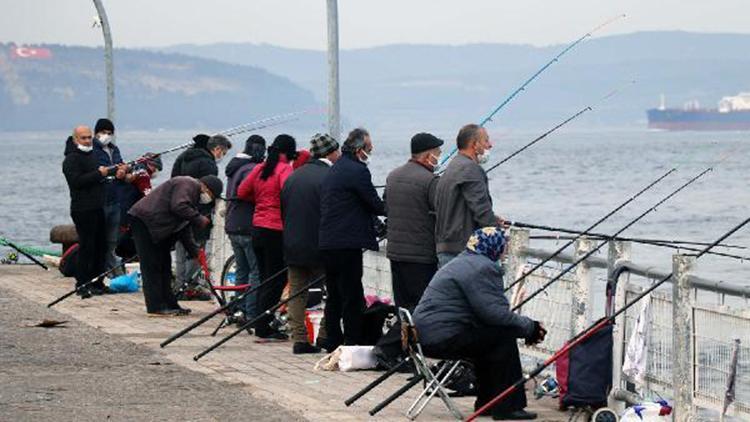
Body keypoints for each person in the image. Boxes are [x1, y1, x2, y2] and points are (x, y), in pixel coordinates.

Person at [413, 227, 546, 420]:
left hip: (424, 336)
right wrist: (531, 328)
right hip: (442, 338)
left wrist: (526, 329)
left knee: (488, 340)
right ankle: (508, 408)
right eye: (504, 244)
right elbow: (495, 314)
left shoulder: (463, 261)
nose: (506, 249)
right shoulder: (483, 267)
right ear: (494, 246)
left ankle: (487, 403)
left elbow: (487, 313)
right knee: (503, 338)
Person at [375, 132, 443, 364]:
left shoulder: (393, 176)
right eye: (437, 153)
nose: (439, 157)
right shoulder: (430, 181)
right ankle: (388, 347)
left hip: (396, 252)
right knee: (421, 308)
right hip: (421, 254)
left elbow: (385, 207)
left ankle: (405, 353)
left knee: (403, 307)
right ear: (427, 155)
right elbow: (441, 213)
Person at [318, 128, 386, 349]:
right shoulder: (357, 171)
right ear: (359, 150)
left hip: (328, 241)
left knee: (334, 295)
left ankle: (332, 340)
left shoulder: (336, 168)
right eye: (369, 148)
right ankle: (352, 341)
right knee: (351, 294)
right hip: (347, 243)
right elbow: (374, 203)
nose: (371, 151)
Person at [128, 175, 223, 316]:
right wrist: (199, 219)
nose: (208, 199)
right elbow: (178, 206)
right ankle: (156, 307)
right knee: (152, 266)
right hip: (145, 221)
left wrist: (195, 251)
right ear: (205, 187)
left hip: (157, 226)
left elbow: (183, 227)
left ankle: (170, 303)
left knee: (165, 266)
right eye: (210, 195)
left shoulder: (192, 197)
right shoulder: (188, 184)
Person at [280, 133, 340, 354]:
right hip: (322, 245)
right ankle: (325, 335)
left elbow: (283, 209)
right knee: (333, 290)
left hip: (294, 244)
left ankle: (299, 339)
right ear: (331, 153)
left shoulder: (294, 177)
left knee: (297, 292)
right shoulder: (331, 177)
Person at [237, 134, 297, 340]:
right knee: (277, 279)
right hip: (276, 230)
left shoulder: (260, 168)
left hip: (257, 228)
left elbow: (242, 191)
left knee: (264, 278)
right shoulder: (285, 169)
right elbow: (290, 194)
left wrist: (261, 201)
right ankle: (264, 325)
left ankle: (260, 322)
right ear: (288, 152)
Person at [171, 134, 232, 299]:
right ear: (217, 149)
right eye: (223, 153)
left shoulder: (183, 157)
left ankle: (179, 286)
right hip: (197, 213)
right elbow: (209, 192)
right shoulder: (208, 164)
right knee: (196, 250)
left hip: (179, 210)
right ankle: (191, 286)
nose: (222, 156)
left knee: (181, 250)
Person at [434, 123, 502, 268]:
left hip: (446, 249)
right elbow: (482, 211)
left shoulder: (452, 168)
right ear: (474, 144)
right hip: (464, 252)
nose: (490, 145)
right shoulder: (470, 169)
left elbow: (458, 208)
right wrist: (498, 238)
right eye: (486, 141)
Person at [62, 126, 110, 297]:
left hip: (98, 206)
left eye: (89, 137)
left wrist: (111, 173)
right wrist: (98, 174)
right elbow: (76, 182)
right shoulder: (71, 159)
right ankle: (82, 283)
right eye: (83, 138)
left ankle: (98, 281)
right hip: (82, 209)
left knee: (101, 246)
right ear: (75, 139)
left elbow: (100, 176)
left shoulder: (93, 155)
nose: (88, 140)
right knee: (87, 247)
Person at [224, 135, 266, 324]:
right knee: (255, 271)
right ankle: (251, 313)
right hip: (248, 225)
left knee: (242, 270)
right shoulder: (251, 169)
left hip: (233, 225)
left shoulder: (234, 168)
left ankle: (238, 309)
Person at [93, 118, 131, 279]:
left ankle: (114, 274)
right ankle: (100, 273)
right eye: (103, 132)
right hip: (99, 201)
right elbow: (95, 172)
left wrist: (124, 171)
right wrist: (112, 172)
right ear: (96, 133)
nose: (106, 136)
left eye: (110, 133)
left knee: (112, 241)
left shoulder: (114, 149)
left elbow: (121, 166)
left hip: (115, 201)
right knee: (98, 240)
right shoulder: (91, 151)